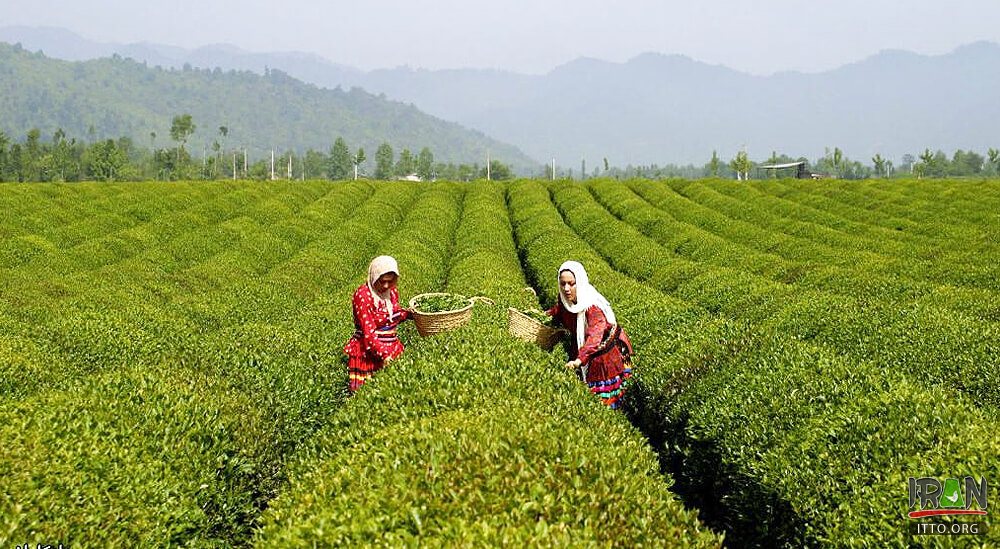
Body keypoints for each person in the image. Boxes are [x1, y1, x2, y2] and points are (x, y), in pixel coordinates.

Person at [546, 260, 633, 409]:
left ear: (579, 282)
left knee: (602, 405)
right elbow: (558, 311)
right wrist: (540, 315)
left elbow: (594, 337)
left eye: (571, 284)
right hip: (582, 351)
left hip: (604, 359)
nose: (566, 288)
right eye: (563, 284)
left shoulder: (592, 306)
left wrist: (579, 360)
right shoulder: (564, 300)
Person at [343, 255, 412, 393]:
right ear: (374, 277)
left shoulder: (391, 292)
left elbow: (393, 315)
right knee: (367, 394)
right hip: (369, 352)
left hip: (392, 347)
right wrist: (384, 355)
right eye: (382, 281)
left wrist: (410, 314)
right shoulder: (363, 296)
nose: (386, 285)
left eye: (390, 281)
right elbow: (369, 332)